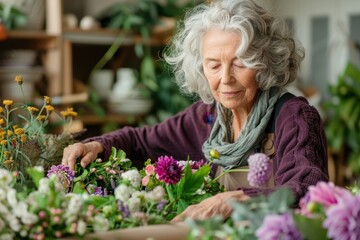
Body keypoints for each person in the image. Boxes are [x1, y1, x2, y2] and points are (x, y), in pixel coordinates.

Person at [62, 0, 329, 222]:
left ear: (265, 63)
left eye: (240, 64)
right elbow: (140, 142)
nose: (225, 78)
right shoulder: (207, 116)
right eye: (213, 65)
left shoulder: (294, 116)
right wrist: (97, 145)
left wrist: (235, 200)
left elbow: (307, 190)